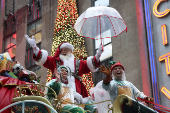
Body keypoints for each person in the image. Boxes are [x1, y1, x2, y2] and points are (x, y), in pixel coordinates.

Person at [25, 35, 103, 97]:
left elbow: (90, 65)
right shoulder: (55, 61)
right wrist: (35, 47)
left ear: (71, 51)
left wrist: (98, 54)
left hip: (76, 90)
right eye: (62, 50)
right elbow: (44, 59)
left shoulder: (78, 63)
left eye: (66, 50)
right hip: (58, 90)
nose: (63, 51)